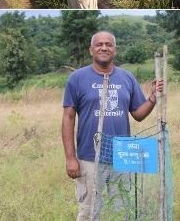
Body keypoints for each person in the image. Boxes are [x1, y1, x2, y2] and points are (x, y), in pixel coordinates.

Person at [62, 31, 163, 221]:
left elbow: (138, 114)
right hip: (89, 157)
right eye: (99, 44)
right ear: (91, 50)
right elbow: (68, 118)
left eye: (108, 44)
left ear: (115, 50)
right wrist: (70, 158)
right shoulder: (77, 78)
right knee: (89, 212)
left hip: (122, 156)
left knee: (121, 210)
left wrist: (152, 98)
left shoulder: (127, 78)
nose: (104, 48)